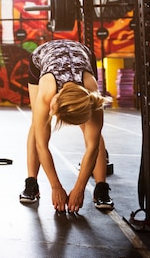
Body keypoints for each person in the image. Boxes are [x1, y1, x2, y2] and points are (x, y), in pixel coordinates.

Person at [19, 39, 114, 213]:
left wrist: (80, 188)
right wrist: (55, 186)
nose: (51, 113)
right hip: (43, 55)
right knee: (37, 124)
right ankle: (31, 182)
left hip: (83, 56)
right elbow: (42, 145)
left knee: (93, 133)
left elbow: (92, 147)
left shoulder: (91, 93)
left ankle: (101, 187)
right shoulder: (47, 92)